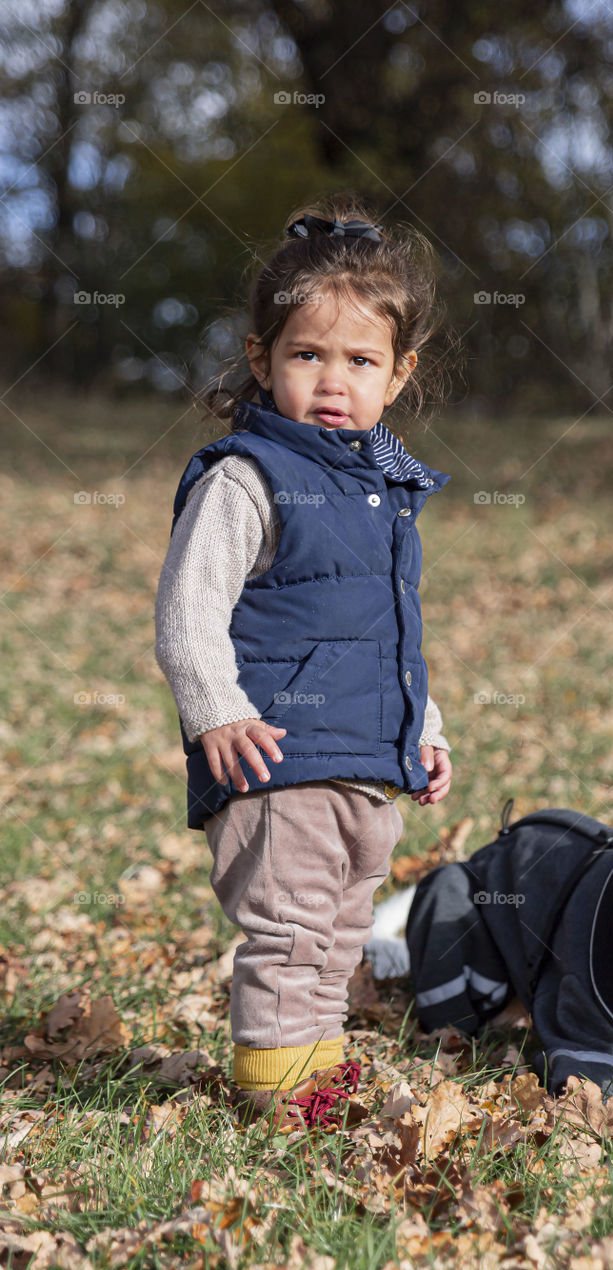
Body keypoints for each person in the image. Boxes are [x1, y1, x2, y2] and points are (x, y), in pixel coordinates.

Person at [154, 196, 454, 1126]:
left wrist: (425, 731)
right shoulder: (247, 476)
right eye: (307, 355)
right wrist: (216, 712)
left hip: (365, 764)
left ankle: (313, 1082)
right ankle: (283, 1106)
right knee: (287, 933)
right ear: (262, 360)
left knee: (335, 937)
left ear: (398, 374)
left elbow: (393, 630)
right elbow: (187, 611)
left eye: (360, 360)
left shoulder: (383, 492)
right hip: (275, 755)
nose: (333, 380)